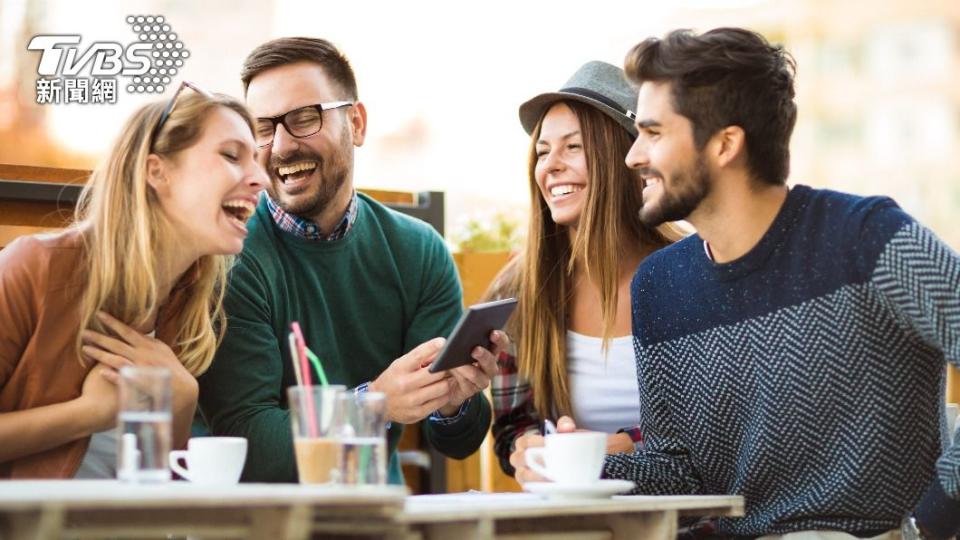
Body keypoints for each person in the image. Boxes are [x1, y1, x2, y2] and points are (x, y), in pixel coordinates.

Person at [520, 28, 960, 539]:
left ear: (725, 144)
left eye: (655, 133)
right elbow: (678, 473)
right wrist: (577, 467)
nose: (632, 156)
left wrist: (923, 530)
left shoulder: (868, 240)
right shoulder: (660, 286)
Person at [197, 37, 506, 484]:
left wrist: (454, 402)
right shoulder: (230, 255)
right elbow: (247, 443)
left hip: (377, 516)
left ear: (356, 123)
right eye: (263, 128)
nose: (281, 147)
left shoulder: (419, 250)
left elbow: (458, 442)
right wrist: (373, 404)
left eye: (304, 118)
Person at [0, 84, 268, 478]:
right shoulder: (37, 267)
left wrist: (180, 399)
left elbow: (162, 495)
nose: (260, 178)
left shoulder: (189, 305)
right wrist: (90, 413)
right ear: (156, 171)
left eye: (258, 161)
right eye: (231, 155)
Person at [484, 61, 680, 480]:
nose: (550, 165)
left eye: (572, 147)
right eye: (542, 151)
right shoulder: (519, 287)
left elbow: (719, 426)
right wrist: (527, 450)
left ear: (626, 157)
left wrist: (622, 448)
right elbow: (511, 427)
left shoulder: (692, 273)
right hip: (577, 512)